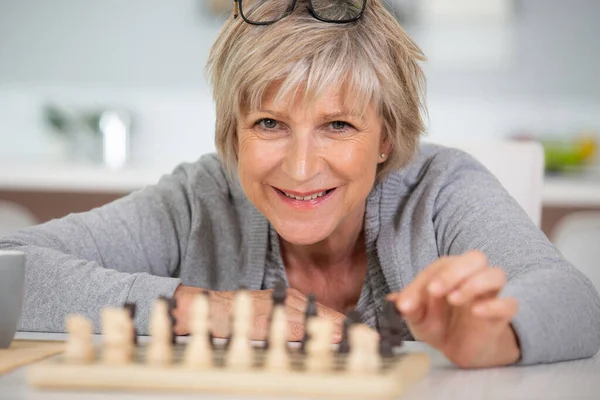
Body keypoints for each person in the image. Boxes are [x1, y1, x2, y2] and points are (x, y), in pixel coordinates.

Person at [2, 0, 599, 369]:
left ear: (387, 136)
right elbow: (14, 267)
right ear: (233, 134)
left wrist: (492, 340)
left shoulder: (441, 190)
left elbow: (575, 302)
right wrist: (204, 308)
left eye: (338, 125)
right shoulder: (200, 199)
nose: (301, 166)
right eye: (269, 123)